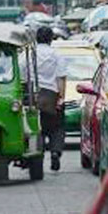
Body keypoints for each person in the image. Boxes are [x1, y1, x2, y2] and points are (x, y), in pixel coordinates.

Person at [34, 26, 67, 172]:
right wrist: (61, 97)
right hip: (51, 95)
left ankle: (37, 154)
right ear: (51, 39)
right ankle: (55, 152)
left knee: (36, 128)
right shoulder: (56, 55)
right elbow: (61, 77)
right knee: (57, 128)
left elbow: (21, 75)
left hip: (33, 96)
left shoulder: (29, 54)